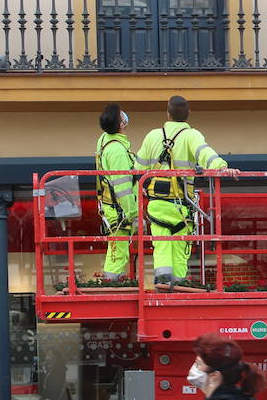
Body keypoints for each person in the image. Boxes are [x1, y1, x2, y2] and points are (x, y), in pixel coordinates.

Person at [135, 96, 234, 287]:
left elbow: (136, 169)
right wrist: (222, 167)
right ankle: (179, 287)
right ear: (188, 114)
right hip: (182, 205)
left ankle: (162, 284)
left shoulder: (152, 136)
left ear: (168, 114)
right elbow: (206, 154)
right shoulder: (192, 136)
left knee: (162, 245)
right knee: (180, 247)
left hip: (157, 204)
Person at [95, 103, 138, 281]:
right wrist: (133, 214)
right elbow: (123, 189)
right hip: (119, 210)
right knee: (118, 254)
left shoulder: (104, 141)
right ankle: (111, 284)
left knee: (116, 250)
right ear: (121, 124)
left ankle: (111, 281)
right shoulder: (117, 151)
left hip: (111, 207)